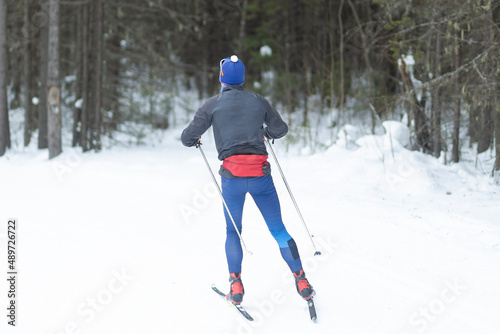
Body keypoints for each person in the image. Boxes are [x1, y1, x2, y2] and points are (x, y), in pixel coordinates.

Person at [181, 55, 314, 304]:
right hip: (261, 176)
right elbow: (281, 129)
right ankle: (301, 279)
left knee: (233, 230)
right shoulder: (257, 100)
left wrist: (195, 139)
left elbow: (187, 137)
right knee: (278, 229)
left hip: (232, 178)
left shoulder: (212, 104)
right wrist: (266, 132)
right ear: (242, 78)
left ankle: (236, 286)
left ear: (222, 78)